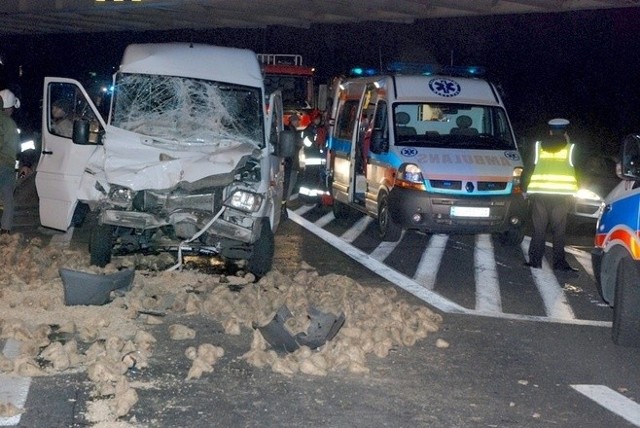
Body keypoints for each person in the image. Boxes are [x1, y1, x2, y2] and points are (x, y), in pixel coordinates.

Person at [524, 118, 579, 271]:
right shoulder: (571, 149)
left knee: (539, 229)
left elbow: (529, 168)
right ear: (565, 132)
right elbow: (578, 170)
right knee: (559, 231)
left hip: (541, 195)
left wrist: (525, 189)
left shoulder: (538, 147)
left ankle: (535, 261)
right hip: (561, 197)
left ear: (549, 132)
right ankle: (559, 263)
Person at [0, 89, 21, 234]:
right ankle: (5, 230)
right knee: (8, 199)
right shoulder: (10, 123)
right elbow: (17, 147)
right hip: (6, 165)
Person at [281, 114, 303, 218]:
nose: (298, 122)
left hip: (292, 160)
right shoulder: (291, 131)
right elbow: (297, 143)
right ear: (293, 121)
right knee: (290, 181)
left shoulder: (292, 130)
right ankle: (286, 201)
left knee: (291, 181)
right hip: (292, 160)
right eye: (297, 120)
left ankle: (286, 200)